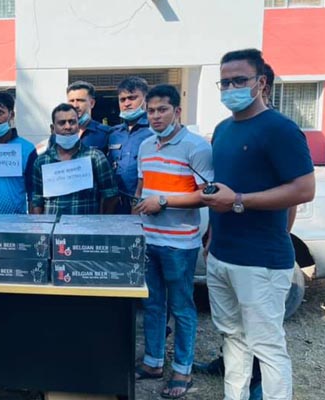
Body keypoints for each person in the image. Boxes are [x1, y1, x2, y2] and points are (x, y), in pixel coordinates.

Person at [202, 48, 315, 400]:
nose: (230, 88)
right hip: (222, 256)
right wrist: (211, 239)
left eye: (239, 80)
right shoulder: (222, 130)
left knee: (266, 345)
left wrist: (239, 200)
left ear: (261, 82)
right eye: (225, 82)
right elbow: (222, 187)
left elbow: (302, 190)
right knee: (233, 338)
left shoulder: (280, 129)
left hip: (262, 262)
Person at [132, 84, 213, 399]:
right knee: (152, 305)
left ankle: (182, 370)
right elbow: (142, 186)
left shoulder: (196, 147)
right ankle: (153, 362)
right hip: (148, 239)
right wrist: (138, 205)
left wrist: (163, 201)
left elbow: (207, 195)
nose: (155, 116)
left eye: (162, 110)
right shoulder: (145, 146)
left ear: (177, 111)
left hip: (180, 244)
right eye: (151, 111)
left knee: (181, 307)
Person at [31, 103, 118, 216]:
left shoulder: (95, 157)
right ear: (53, 129)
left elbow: (110, 195)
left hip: (87, 226)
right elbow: (37, 200)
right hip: (53, 226)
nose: (68, 127)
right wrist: (39, 224)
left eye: (72, 122)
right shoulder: (42, 161)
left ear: (78, 126)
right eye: (62, 123)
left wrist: (101, 222)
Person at [107, 76, 153, 214]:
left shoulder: (154, 131)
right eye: (122, 99)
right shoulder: (114, 133)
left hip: (146, 203)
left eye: (132, 98)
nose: (126, 103)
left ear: (145, 99)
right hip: (117, 203)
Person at [66, 80, 112, 153]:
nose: (75, 105)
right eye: (71, 101)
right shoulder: (60, 134)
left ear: (92, 103)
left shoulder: (106, 133)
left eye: (80, 100)